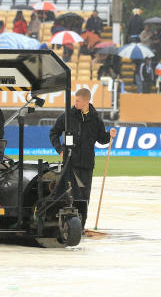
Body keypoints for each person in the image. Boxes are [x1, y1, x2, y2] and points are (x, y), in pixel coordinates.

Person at [49, 87, 116, 227]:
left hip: (87, 164)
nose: (75, 103)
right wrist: (60, 150)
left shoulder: (95, 118)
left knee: (84, 197)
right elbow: (53, 133)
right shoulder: (67, 116)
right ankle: (66, 224)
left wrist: (109, 135)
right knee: (69, 195)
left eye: (78, 100)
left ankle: (81, 226)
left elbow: (101, 139)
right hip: (70, 163)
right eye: (75, 100)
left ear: (87, 101)